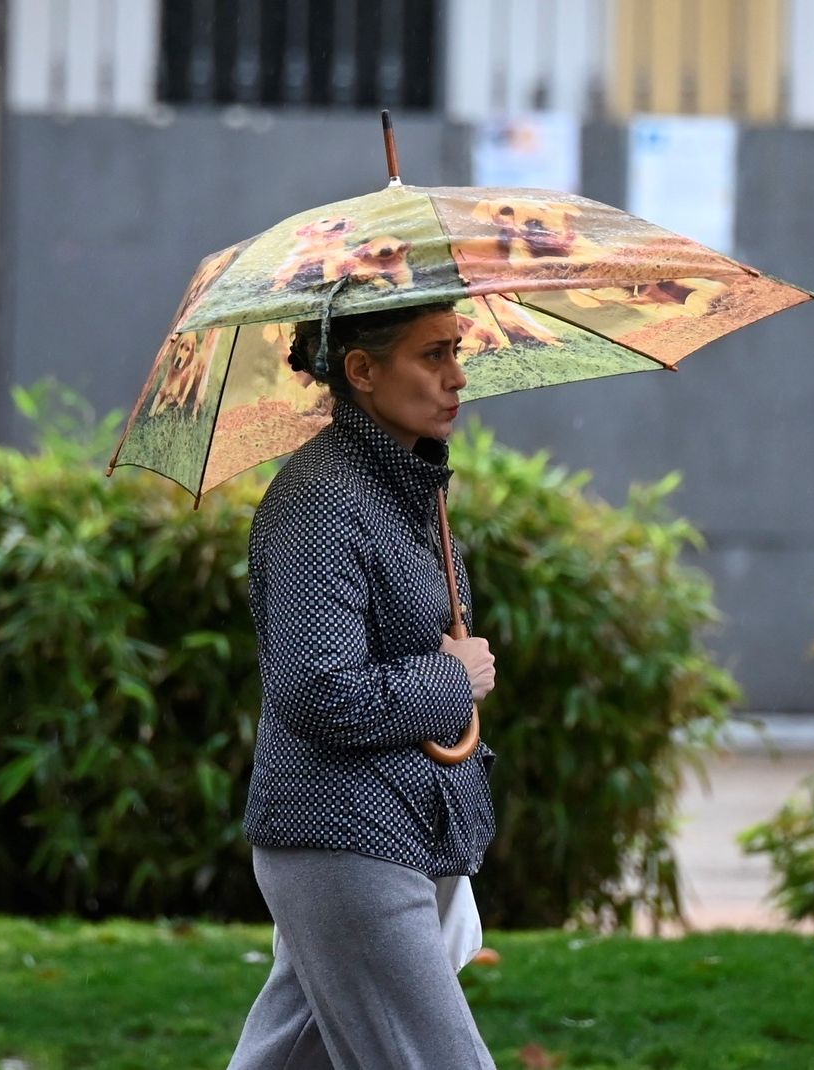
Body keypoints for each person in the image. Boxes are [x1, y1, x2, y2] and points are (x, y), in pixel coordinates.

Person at [225, 299, 499, 1070]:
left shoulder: (400, 490)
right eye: (433, 356)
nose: (457, 377)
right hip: (344, 837)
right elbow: (321, 691)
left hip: (390, 828)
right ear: (363, 371)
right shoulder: (321, 501)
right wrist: (453, 679)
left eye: (457, 351)